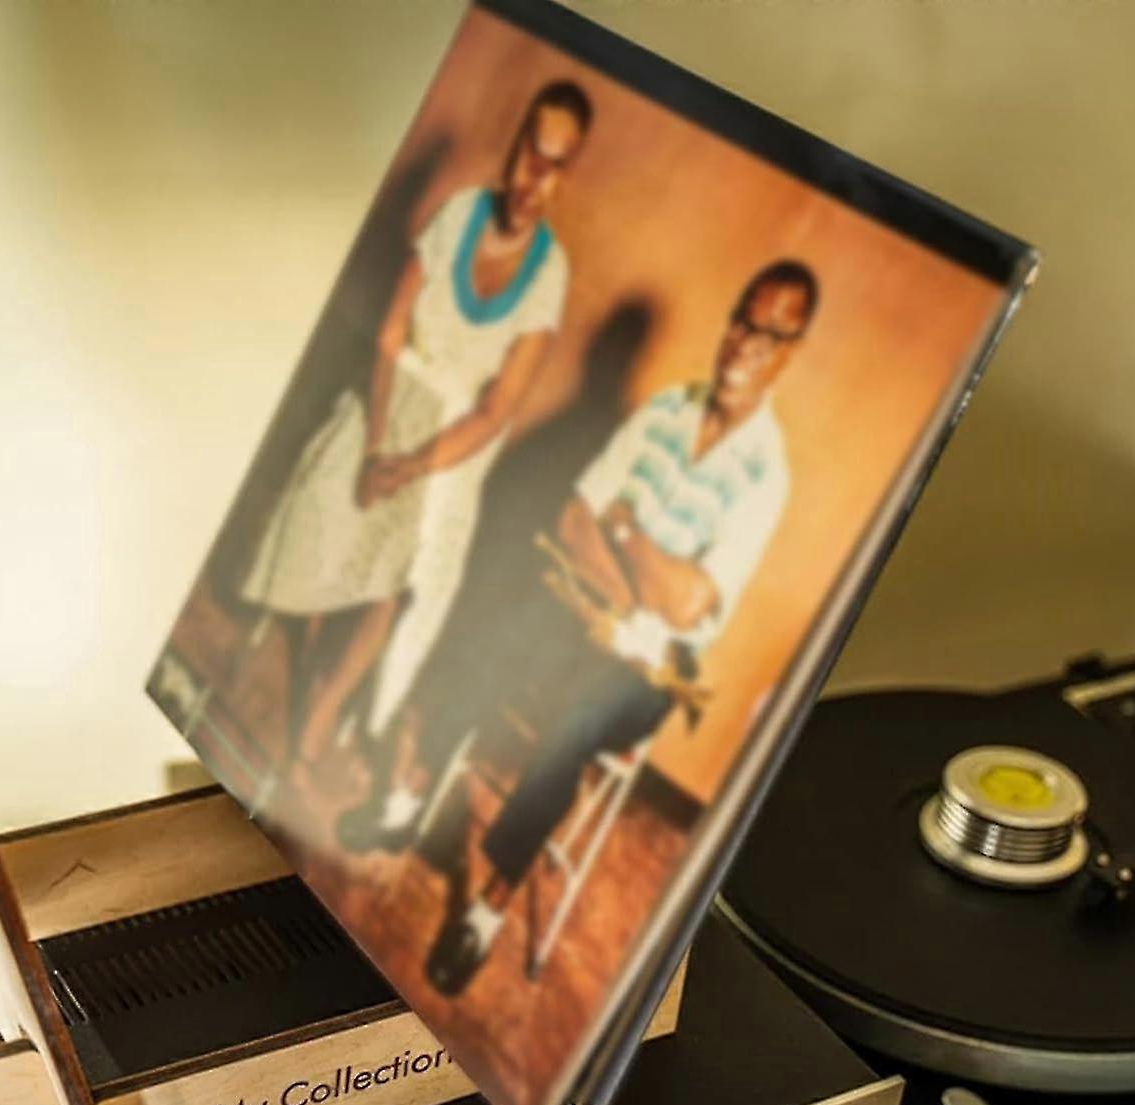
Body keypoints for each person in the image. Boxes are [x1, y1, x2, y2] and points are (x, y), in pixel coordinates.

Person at [422, 259, 820, 996]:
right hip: (578, 613)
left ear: (788, 352)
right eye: (742, 320)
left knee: (574, 724)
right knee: (494, 620)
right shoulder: (665, 410)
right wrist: (638, 578)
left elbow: (691, 608)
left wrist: (627, 531)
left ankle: (487, 907)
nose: (744, 345)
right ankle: (413, 798)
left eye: (769, 335)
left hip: (645, 674)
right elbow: (576, 517)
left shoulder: (767, 477)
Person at [236, 81, 592, 778]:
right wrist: (373, 445)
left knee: (403, 570)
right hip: (390, 395)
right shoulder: (459, 214)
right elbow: (392, 334)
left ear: (564, 177)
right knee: (326, 505)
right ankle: (306, 659)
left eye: (556, 165)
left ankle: (322, 708)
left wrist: (406, 467)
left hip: (456, 443)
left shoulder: (549, 274)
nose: (534, 177)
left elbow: (496, 411)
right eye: (531, 153)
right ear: (516, 144)